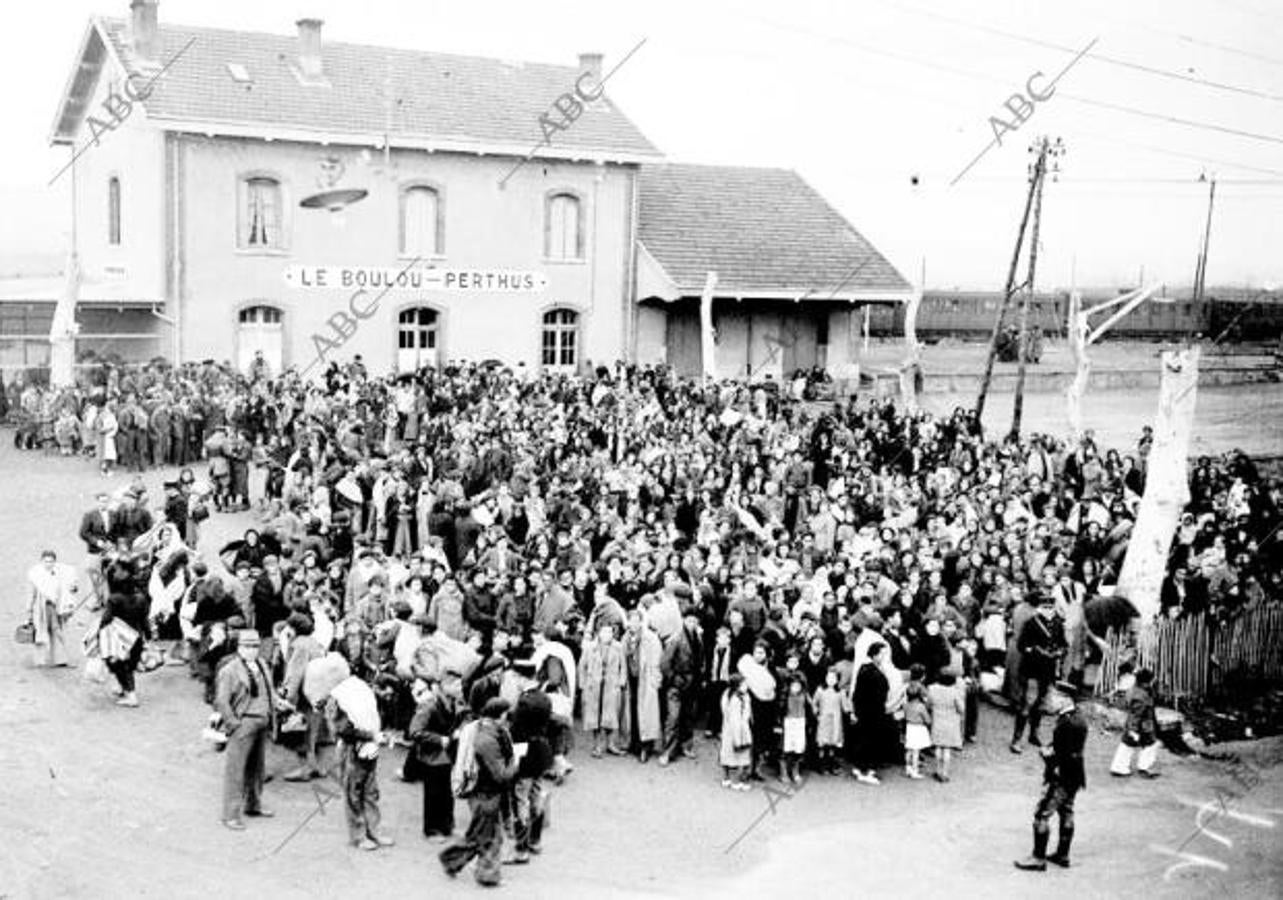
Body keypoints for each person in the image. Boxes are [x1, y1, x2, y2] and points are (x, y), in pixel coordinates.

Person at [440, 697, 518, 886]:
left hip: (481, 793)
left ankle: (457, 863)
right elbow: (501, 774)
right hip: (486, 794)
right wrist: (516, 764)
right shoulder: (488, 741)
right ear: (500, 716)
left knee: (483, 835)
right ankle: (481, 872)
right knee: (486, 837)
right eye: (507, 715)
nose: (509, 719)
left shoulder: (481, 730)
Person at [1015, 680, 1089, 871]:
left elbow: (1061, 753)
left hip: (1061, 776)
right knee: (1066, 811)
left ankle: (1038, 858)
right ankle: (1062, 855)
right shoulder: (1079, 717)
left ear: (1065, 699)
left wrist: (1047, 754)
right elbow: (1071, 749)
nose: (1050, 700)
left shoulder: (1066, 723)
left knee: (1041, 815)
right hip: (1076, 775)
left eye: (1054, 697)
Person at [214, 630, 278, 829]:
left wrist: (278, 705)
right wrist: (233, 724)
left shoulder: (262, 665)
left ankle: (253, 804)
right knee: (236, 771)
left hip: (262, 721)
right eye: (248, 646)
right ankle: (230, 815)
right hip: (243, 723)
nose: (252, 650)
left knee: (257, 768)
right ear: (239, 648)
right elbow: (222, 701)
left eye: (255, 646)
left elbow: (270, 691)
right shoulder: (230, 670)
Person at [328, 669, 395, 850]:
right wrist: (371, 736)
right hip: (351, 750)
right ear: (376, 687)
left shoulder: (371, 702)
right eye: (386, 692)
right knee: (353, 794)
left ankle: (374, 830)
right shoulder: (344, 700)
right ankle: (358, 835)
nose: (389, 696)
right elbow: (342, 730)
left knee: (370, 792)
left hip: (368, 752)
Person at [407, 674, 463, 840]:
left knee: (447, 794)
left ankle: (447, 827)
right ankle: (432, 830)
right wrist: (439, 739)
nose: (461, 689)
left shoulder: (452, 704)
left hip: (446, 756)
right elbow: (415, 731)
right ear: (446, 687)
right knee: (433, 794)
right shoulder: (429, 705)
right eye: (457, 686)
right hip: (432, 757)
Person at [1010, 595, 1067, 753]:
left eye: (1051, 608)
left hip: (1047, 671)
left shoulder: (1057, 624)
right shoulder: (1031, 623)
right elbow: (1021, 645)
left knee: (1040, 704)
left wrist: (1059, 652)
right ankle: (1016, 739)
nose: (1048, 611)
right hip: (1031, 670)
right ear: (1039, 608)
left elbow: (1063, 644)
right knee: (1026, 704)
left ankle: (1033, 734)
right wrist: (1035, 650)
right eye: (1045, 607)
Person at [578, 622, 626, 758]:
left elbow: (623, 666)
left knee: (611, 715)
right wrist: (583, 684)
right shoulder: (590, 648)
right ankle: (597, 745)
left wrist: (621, 681)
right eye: (604, 632)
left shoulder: (618, 647)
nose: (607, 635)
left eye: (610, 632)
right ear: (599, 633)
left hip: (611, 685)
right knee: (595, 716)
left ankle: (611, 744)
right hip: (594, 685)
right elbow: (582, 666)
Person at [26, 550, 78, 667]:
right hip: (41, 609)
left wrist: (72, 591)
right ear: (42, 561)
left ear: (54, 562)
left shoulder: (60, 574)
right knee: (39, 634)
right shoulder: (35, 576)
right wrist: (29, 610)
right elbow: (31, 594)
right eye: (46, 561)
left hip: (54, 608)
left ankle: (60, 659)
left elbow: (68, 589)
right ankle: (39, 660)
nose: (48, 564)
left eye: (51, 561)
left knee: (57, 632)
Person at [1110, 668, 1160, 778]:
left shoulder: (1135, 690)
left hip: (1140, 723)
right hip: (1143, 725)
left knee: (1128, 744)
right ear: (1147, 681)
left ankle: (1119, 767)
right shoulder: (1141, 696)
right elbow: (1136, 714)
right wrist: (1133, 730)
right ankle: (1143, 767)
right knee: (1149, 744)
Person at [927, 670, 965, 782]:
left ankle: (938, 771)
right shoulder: (955, 692)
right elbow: (961, 709)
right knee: (947, 748)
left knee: (938, 746)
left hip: (937, 720)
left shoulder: (932, 689)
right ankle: (945, 773)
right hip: (951, 722)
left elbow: (928, 704)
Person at [719, 674, 753, 790]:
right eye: (743, 684)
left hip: (729, 729)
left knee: (728, 754)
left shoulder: (734, 696)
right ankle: (736, 780)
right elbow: (735, 719)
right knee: (739, 755)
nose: (746, 686)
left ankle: (726, 778)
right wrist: (738, 736)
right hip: (737, 730)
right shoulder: (735, 699)